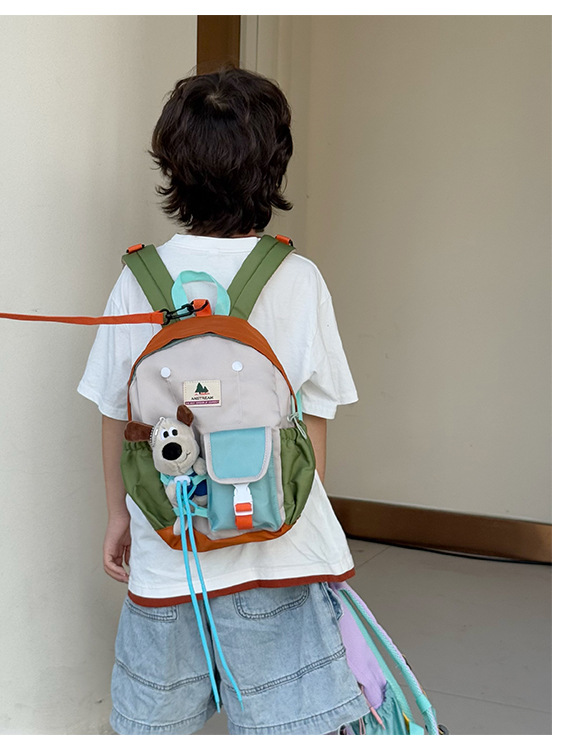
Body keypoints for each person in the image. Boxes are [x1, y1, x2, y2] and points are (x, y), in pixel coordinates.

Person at [78, 67, 368, 735]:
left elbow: (117, 415)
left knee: (155, 730)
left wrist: (119, 515)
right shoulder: (297, 278)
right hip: (277, 558)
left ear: (172, 167)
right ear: (274, 166)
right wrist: (295, 522)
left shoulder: (139, 278)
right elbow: (315, 419)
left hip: (170, 548)